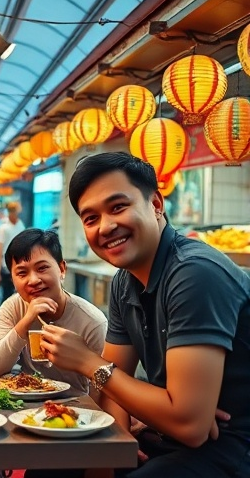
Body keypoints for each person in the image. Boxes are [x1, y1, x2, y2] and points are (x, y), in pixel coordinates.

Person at [41, 152, 250, 478]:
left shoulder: (194, 272)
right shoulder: (125, 281)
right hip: (173, 434)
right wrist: (115, 448)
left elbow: (190, 425)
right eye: (90, 218)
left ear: (156, 204)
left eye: (118, 207)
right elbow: (112, 389)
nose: (106, 226)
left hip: (233, 442)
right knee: (52, 467)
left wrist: (86, 361)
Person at [0, 228, 107, 396]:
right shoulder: (13, 307)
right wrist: (26, 322)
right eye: (22, 273)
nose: (33, 280)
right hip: (24, 405)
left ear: (62, 269)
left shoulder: (92, 321)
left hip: (75, 408)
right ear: (12, 279)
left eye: (42, 268)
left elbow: (103, 390)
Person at [0, 201, 25, 301]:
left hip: (20, 265)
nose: (13, 213)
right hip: (6, 266)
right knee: (6, 295)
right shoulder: (3, 228)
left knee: (20, 295)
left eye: (15, 210)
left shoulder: (21, 226)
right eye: (11, 210)